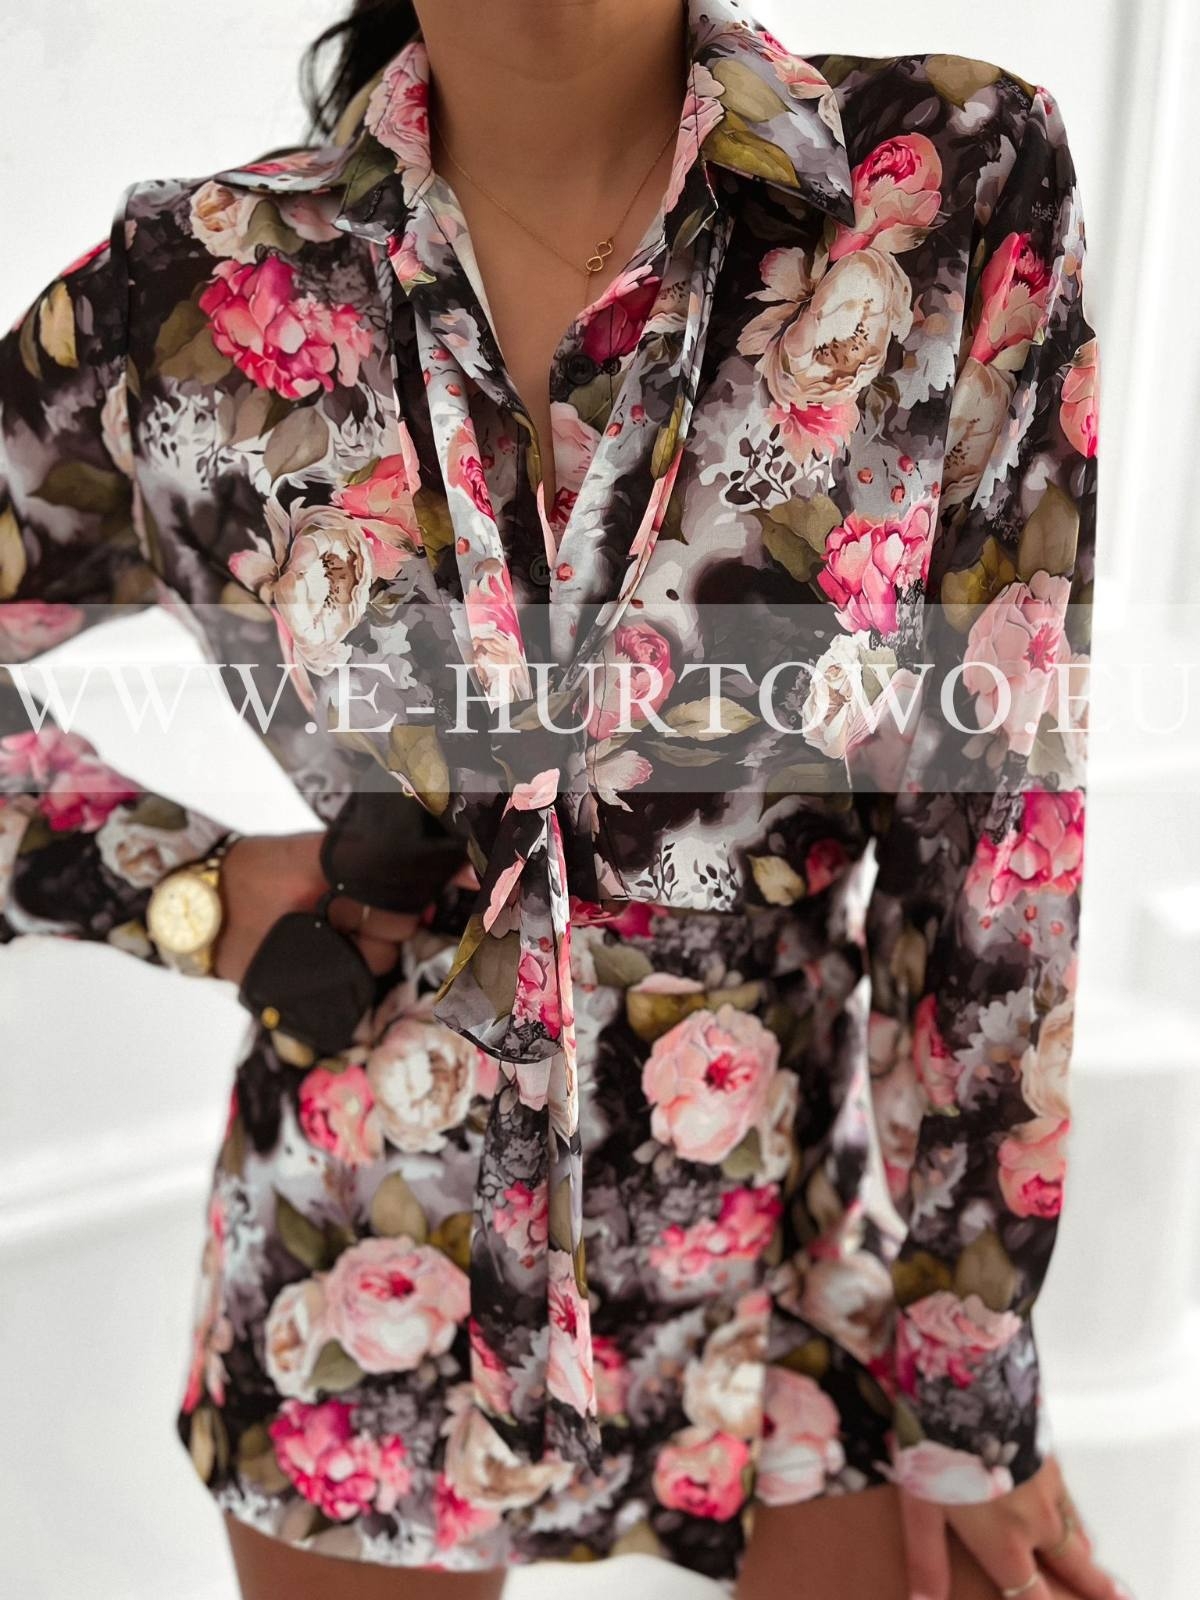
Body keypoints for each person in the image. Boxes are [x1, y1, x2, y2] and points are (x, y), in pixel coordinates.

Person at [0, 1, 1121, 1597]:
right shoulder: (195, 286)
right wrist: (177, 885)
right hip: (365, 1274)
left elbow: (997, 831)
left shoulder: (940, 191)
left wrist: (970, 1382)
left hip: (788, 1250)